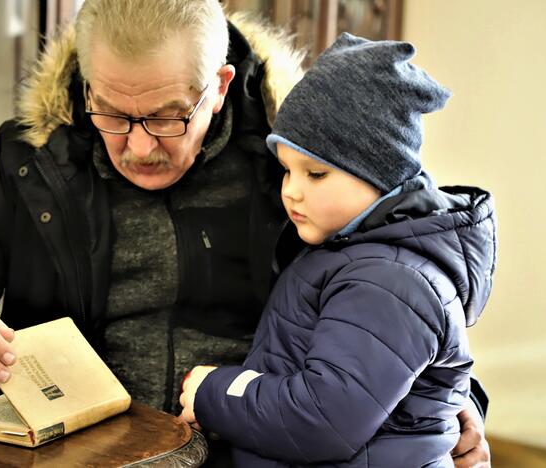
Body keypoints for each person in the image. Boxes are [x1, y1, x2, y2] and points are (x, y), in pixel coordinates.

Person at [0, 1, 490, 465]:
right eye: (111, 112)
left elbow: (402, 287)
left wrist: (452, 402)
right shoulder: (32, 158)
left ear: (219, 87)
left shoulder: (304, 161)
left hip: (259, 449)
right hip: (76, 452)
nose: (136, 147)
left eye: (164, 116)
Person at [177, 33, 497, 467]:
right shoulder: (351, 250)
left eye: (316, 174)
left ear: (380, 175)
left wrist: (214, 392)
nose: (291, 192)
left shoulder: (388, 281)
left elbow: (324, 419)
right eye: (286, 170)